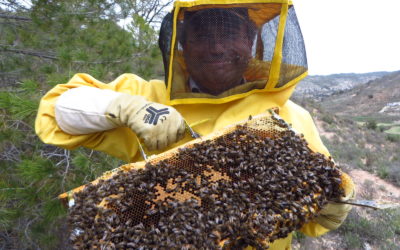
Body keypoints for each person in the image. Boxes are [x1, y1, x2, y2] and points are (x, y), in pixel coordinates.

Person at [35, 0, 355, 249]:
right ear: (183, 44)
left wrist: (332, 201)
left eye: (229, 33)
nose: (216, 47)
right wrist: (124, 107)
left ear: (250, 39)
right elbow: (59, 110)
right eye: (203, 35)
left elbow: (319, 217)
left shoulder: (293, 117)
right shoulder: (151, 95)